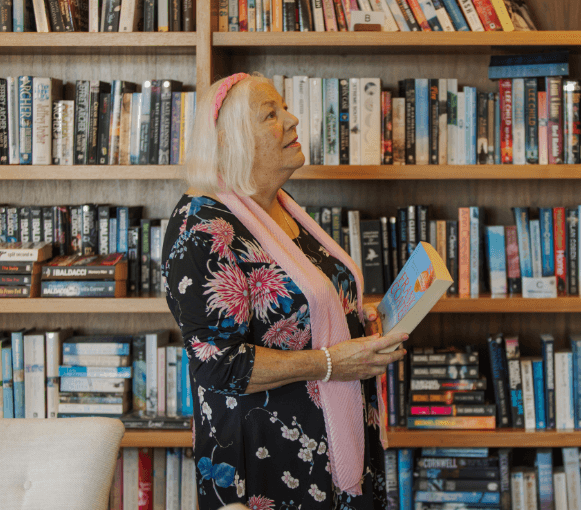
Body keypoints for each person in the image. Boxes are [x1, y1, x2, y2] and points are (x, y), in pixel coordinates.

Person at [162, 72, 408, 510]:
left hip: (333, 447)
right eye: (270, 114)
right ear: (233, 138)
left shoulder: (278, 206)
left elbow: (303, 307)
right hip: (269, 467)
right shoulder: (202, 229)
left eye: (285, 108)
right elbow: (217, 365)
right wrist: (332, 361)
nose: (293, 120)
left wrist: (354, 320)